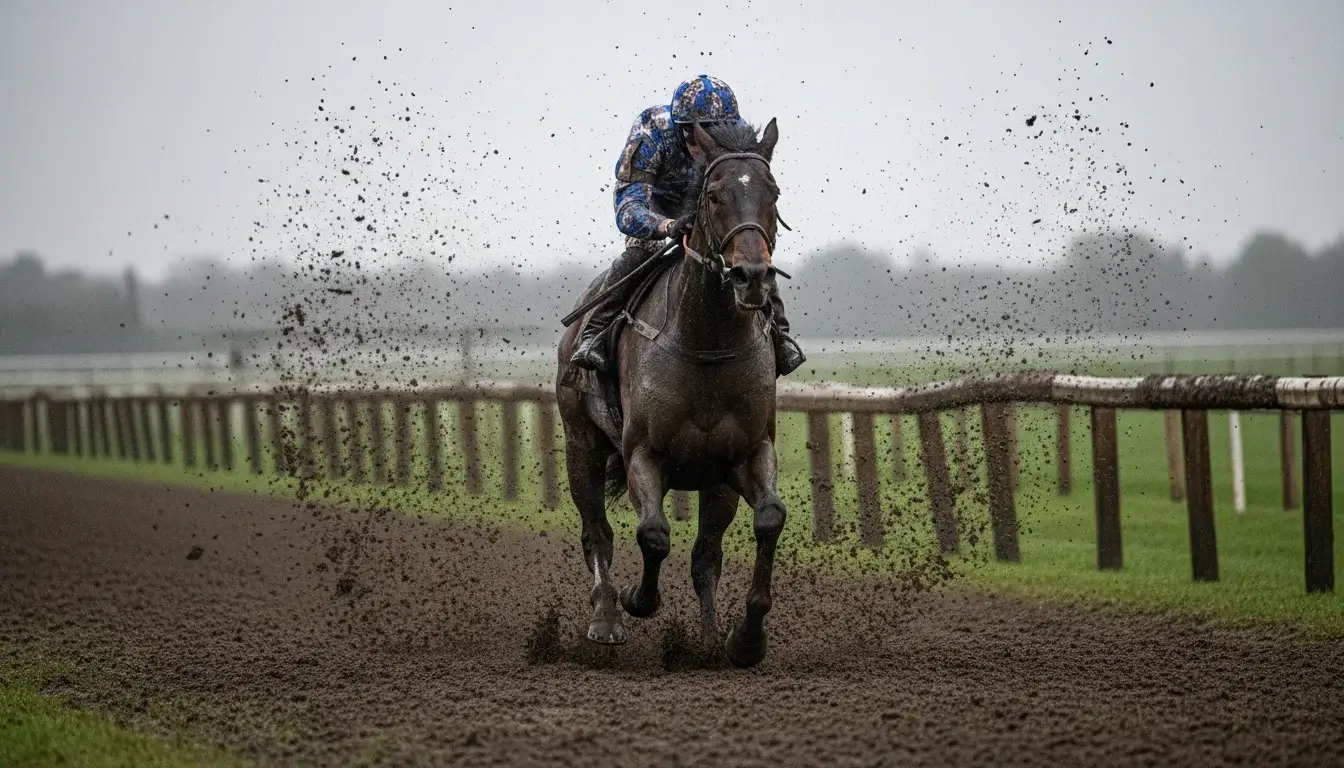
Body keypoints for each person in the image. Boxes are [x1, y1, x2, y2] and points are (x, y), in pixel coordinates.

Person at [568, 74, 806, 377]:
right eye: (693, 134)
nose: (701, 142)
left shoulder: (739, 135)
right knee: (639, 253)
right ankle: (594, 333)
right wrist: (666, 226)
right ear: (680, 128)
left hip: (716, 208)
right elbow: (628, 208)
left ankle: (781, 335)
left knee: (751, 257)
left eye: (711, 132)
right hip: (659, 209)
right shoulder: (651, 130)